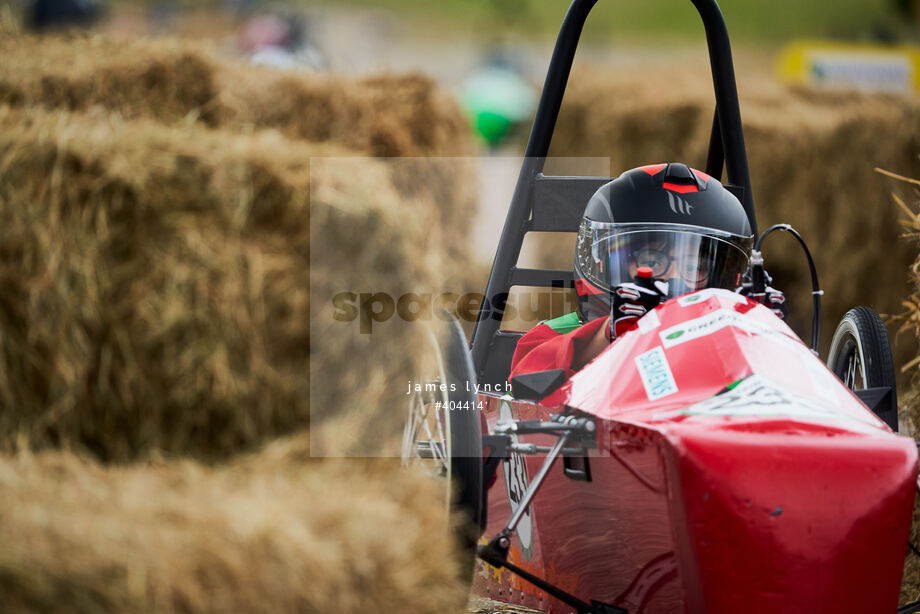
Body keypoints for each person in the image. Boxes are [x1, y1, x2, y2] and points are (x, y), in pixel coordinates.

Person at [509, 162, 786, 383]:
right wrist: (609, 335)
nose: (673, 280)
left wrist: (764, 339)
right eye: (653, 261)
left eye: (693, 268)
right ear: (603, 261)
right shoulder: (556, 334)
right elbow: (525, 382)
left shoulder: (727, 338)